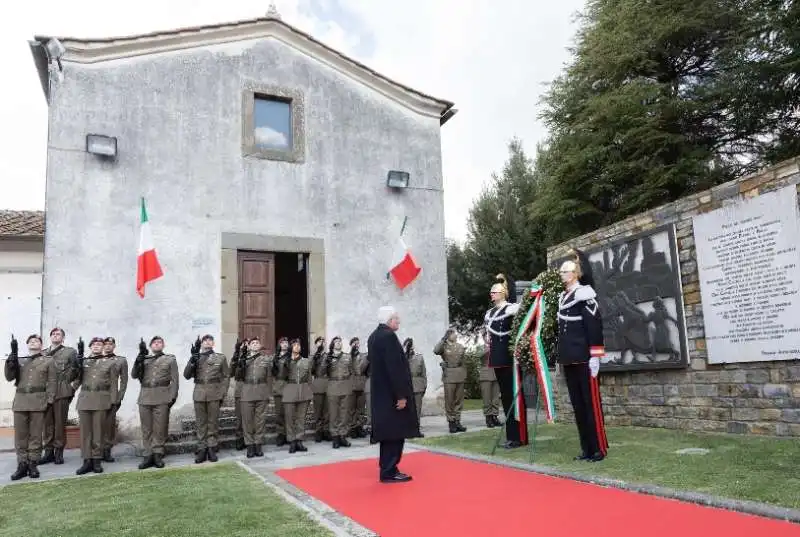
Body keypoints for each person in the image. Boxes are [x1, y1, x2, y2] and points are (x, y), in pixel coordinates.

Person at [557, 249, 609, 462]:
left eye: (565, 271)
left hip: (585, 359)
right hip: (569, 358)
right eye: (561, 271)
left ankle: (598, 448)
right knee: (578, 405)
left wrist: (595, 356)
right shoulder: (563, 297)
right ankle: (586, 447)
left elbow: (594, 327)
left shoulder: (585, 294)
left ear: (575, 273)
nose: (561, 274)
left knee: (590, 404)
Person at [368, 306, 420, 484]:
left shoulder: (374, 336)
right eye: (396, 318)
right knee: (395, 433)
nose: (398, 321)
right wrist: (401, 395)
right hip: (392, 395)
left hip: (382, 394)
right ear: (390, 320)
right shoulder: (388, 336)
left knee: (388, 433)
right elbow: (394, 368)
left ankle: (388, 467)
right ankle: (389, 471)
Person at [484, 274, 528, 449]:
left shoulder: (511, 308)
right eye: (491, 292)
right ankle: (511, 435)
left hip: (509, 358)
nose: (492, 294)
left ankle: (518, 436)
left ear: (503, 293)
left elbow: (522, 311)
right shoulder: (490, 313)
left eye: (495, 292)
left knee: (513, 396)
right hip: (497, 358)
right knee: (505, 398)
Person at [5, 334, 56, 481]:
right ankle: (22, 464)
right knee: (21, 435)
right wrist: (11, 359)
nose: (34, 342)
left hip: (38, 401)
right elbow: (9, 377)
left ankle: (33, 464)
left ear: (41, 345)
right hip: (21, 401)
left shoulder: (48, 360)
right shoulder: (20, 360)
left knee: (35, 435)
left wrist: (50, 400)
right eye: (31, 341)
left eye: (37, 341)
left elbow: (52, 382)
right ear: (27, 345)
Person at [132, 336, 179, 469]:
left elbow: (175, 380)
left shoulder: (170, 359)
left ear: (163, 345)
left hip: (162, 396)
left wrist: (172, 397)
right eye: (154, 343)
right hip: (145, 396)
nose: (157, 344)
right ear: (150, 346)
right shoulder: (144, 359)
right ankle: (148, 454)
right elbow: (134, 375)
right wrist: (138, 359)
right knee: (146, 428)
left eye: (159, 342)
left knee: (160, 427)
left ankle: (158, 453)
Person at [74, 337, 118, 475]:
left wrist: (113, 401)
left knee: (98, 432)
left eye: (100, 344)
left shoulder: (110, 363)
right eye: (94, 344)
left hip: (101, 399)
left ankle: (97, 460)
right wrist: (77, 362)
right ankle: (87, 460)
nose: (97, 346)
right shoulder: (83, 361)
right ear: (90, 347)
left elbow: (113, 383)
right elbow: (75, 378)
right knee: (85, 433)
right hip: (85, 399)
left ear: (103, 347)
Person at [184, 334, 230, 464]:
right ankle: (202, 448)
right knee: (201, 423)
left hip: (214, 393)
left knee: (213, 422)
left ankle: (211, 447)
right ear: (202, 344)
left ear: (213, 343)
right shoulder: (196, 357)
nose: (207, 342)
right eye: (205, 340)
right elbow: (186, 375)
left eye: (210, 340)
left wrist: (223, 392)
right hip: (199, 393)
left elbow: (226, 376)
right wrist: (192, 360)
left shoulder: (220, 358)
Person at [41, 327, 77, 465]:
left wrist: (72, 388)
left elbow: (77, 371)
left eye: (59, 334)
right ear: (50, 337)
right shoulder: (43, 353)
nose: (56, 336)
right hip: (45, 392)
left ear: (63, 338)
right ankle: (48, 452)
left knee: (60, 423)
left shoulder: (70, 352)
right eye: (53, 334)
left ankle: (59, 453)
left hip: (61, 391)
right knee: (47, 424)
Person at [236, 337, 273, 458]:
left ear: (260, 345)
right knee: (247, 421)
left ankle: (258, 444)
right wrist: (240, 360)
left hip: (261, 391)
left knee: (260, 421)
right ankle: (249, 445)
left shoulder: (265, 359)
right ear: (249, 346)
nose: (255, 344)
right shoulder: (244, 359)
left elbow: (269, 377)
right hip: (247, 391)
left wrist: (268, 392)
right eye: (253, 343)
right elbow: (237, 375)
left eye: (257, 343)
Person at [278, 338, 312, 454]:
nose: (297, 347)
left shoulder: (306, 361)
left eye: (299, 345)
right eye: (295, 345)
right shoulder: (285, 361)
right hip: (290, 389)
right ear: (290, 348)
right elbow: (281, 376)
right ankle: (292, 440)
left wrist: (309, 392)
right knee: (290, 417)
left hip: (303, 390)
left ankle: (299, 440)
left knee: (301, 418)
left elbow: (309, 378)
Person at [433, 328, 468, 434]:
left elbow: (463, 362)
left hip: (459, 375)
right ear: (448, 336)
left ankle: (457, 421)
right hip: (449, 375)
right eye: (453, 334)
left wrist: (464, 375)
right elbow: (436, 351)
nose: (456, 336)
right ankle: (451, 422)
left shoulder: (460, 346)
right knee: (449, 400)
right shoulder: (443, 346)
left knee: (458, 400)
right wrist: (443, 340)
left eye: (455, 334)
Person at [101, 337, 128, 463]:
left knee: (109, 425)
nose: (107, 346)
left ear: (114, 346)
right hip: (96, 397)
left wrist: (120, 396)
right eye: (105, 344)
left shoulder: (120, 361)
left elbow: (124, 380)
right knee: (96, 425)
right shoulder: (96, 360)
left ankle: (107, 450)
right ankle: (96, 450)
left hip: (112, 397)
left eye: (110, 344)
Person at [325, 336, 353, 449]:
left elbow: (351, 370)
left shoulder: (347, 357)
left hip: (345, 385)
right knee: (333, 413)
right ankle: (335, 436)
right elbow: (323, 372)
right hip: (333, 385)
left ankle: (342, 435)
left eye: (340, 342)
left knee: (344, 412)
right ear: (332, 344)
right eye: (336, 342)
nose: (338, 344)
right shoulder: (328, 357)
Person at [404, 338, 427, 437]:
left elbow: (423, 374)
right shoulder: (402, 357)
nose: (411, 347)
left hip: (418, 386)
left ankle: (416, 429)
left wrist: (424, 386)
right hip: (406, 386)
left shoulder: (419, 357)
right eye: (409, 345)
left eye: (411, 345)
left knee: (417, 409)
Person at [310, 336, 330, 442]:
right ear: (316, 344)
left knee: (326, 410)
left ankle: (326, 430)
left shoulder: (328, 356)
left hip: (327, 383)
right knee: (318, 410)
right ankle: (318, 431)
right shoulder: (313, 357)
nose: (321, 343)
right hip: (318, 383)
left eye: (323, 341)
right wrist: (316, 358)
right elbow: (311, 370)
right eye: (319, 342)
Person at [272, 337, 290, 447]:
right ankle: (281, 434)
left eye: (286, 343)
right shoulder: (275, 357)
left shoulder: (291, 356)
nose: (284, 344)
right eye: (282, 343)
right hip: (278, 386)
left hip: (288, 386)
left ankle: (289, 434)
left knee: (289, 412)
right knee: (279, 413)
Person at [348, 337, 367, 438]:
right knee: (351, 409)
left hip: (361, 384)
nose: (356, 345)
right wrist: (351, 355)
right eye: (354, 343)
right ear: (350, 345)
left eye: (357, 343)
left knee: (360, 409)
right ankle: (352, 428)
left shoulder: (363, 356)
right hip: (351, 385)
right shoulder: (347, 357)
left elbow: (363, 369)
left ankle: (359, 427)